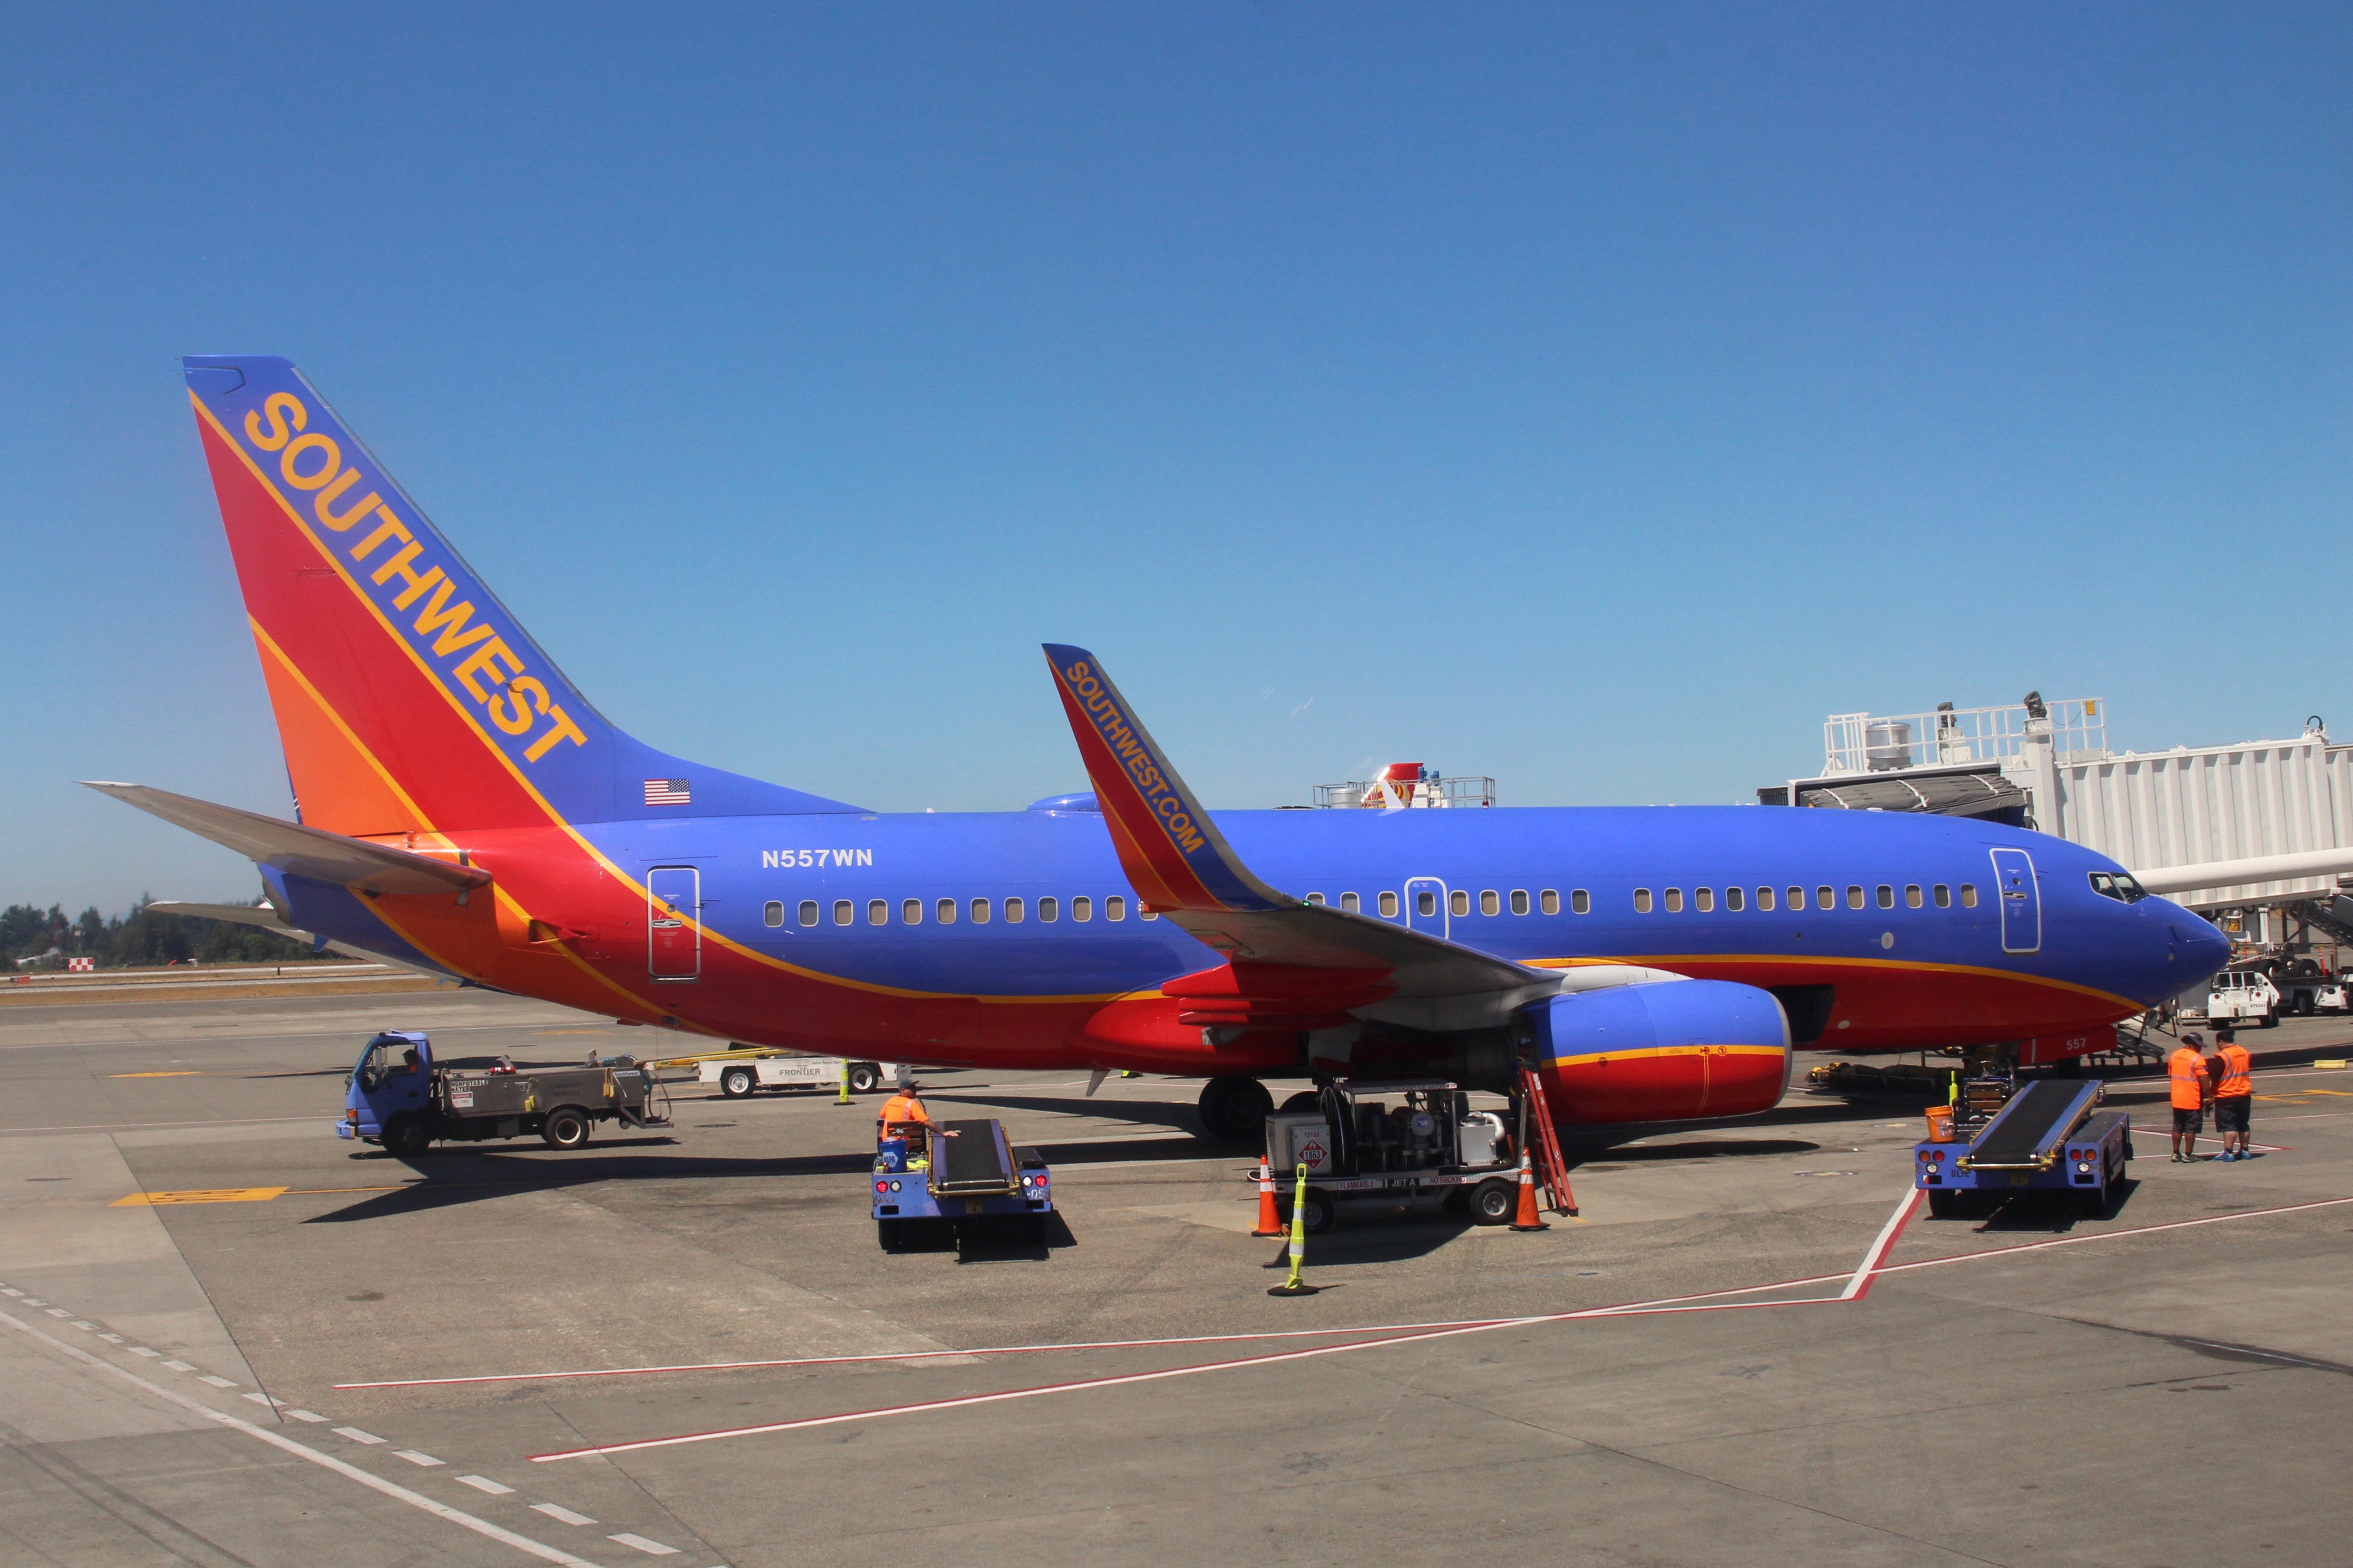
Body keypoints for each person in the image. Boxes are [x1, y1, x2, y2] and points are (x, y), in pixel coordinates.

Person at [2208, 1026, 2254, 1161]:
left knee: (2229, 1125)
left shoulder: (2223, 1056)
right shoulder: (2244, 1052)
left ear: (2221, 1042)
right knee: (2243, 1123)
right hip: (2244, 1093)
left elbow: (2215, 1075)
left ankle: (2228, 1152)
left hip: (2226, 1094)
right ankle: (2245, 1150)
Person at [2167, 1033, 2211, 1163]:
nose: (2200, 1049)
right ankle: (2188, 1154)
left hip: (2177, 1097)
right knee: (2191, 1128)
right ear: (2192, 1044)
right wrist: (2209, 1095)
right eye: (2199, 1046)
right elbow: (2203, 1078)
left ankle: (2175, 1153)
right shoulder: (2198, 1058)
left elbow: (2171, 1075)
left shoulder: (2174, 1055)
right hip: (2192, 1098)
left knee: (2177, 1127)